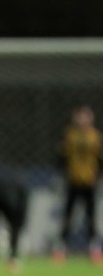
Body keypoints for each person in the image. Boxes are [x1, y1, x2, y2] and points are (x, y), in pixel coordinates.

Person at [54, 105, 102, 265]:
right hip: (72, 181)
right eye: (80, 117)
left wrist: (99, 177)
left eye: (85, 117)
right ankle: (61, 247)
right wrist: (60, 176)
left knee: (91, 216)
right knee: (68, 215)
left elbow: (99, 159)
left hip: (89, 182)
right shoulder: (69, 135)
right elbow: (62, 158)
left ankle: (94, 248)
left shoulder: (96, 137)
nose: (82, 120)